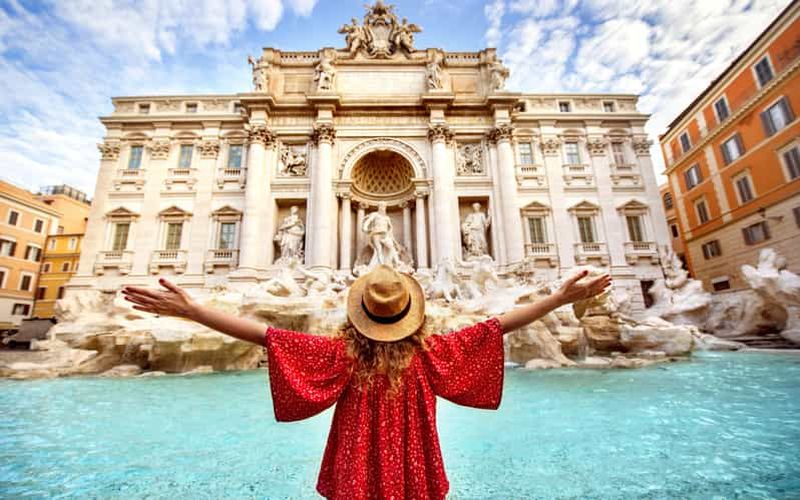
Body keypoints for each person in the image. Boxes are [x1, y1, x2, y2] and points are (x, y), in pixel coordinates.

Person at [122, 266, 610, 499]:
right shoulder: (431, 352)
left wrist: (193, 311)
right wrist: (556, 299)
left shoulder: (338, 354)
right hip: (415, 465)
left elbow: (262, 335)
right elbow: (501, 324)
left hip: (354, 466)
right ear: (411, 316)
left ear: (358, 316)